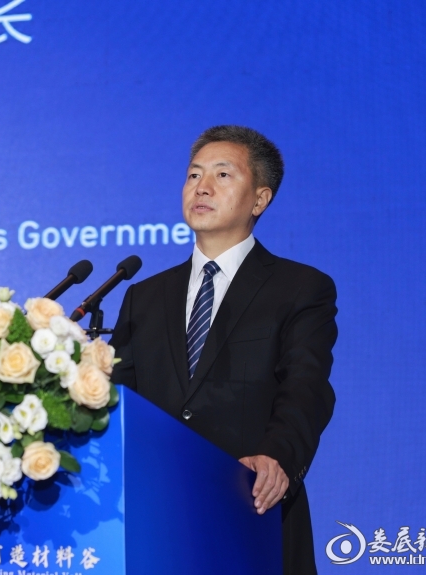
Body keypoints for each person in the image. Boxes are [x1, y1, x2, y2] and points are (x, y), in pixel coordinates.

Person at [109, 125, 337, 574]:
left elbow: (306, 387)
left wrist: (277, 457)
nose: (202, 187)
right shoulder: (144, 296)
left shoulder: (299, 288)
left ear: (260, 200)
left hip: (251, 509)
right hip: (156, 521)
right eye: (194, 175)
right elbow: (120, 399)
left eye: (222, 174)